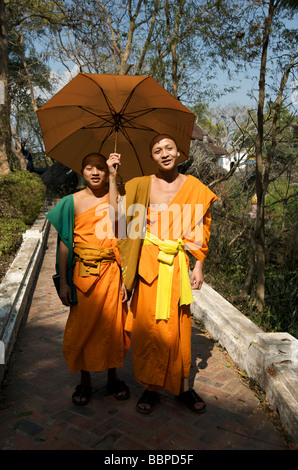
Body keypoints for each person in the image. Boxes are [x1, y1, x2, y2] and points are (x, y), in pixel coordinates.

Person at [110, 134, 217, 414]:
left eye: (169, 148)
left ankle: (182, 386)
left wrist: (199, 264)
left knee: (179, 329)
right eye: (157, 150)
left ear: (180, 152)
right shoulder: (140, 186)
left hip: (178, 266)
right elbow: (119, 225)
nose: (164, 153)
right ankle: (151, 386)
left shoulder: (194, 186)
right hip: (148, 267)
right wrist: (112, 178)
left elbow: (201, 228)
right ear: (152, 157)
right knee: (149, 330)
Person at [46, 152, 130, 406]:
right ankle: (85, 381)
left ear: (107, 172)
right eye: (89, 168)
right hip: (82, 274)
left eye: (101, 169)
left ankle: (113, 378)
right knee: (82, 328)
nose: (95, 172)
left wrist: (115, 180)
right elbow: (64, 243)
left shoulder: (118, 199)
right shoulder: (70, 202)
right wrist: (62, 281)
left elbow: (121, 231)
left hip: (111, 272)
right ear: (81, 171)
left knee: (113, 328)